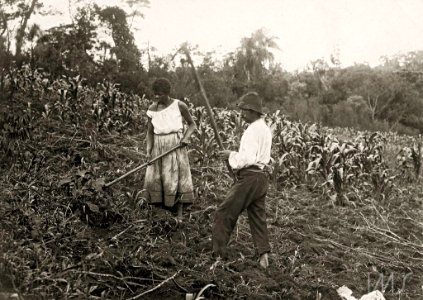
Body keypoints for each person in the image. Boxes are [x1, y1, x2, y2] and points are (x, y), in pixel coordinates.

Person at [212, 91, 272, 269]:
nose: (242, 114)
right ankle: (264, 257)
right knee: (257, 217)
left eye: (245, 110)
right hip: (261, 178)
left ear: (253, 111)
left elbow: (248, 158)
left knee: (224, 213)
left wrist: (230, 154)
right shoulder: (264, 129)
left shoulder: (254, 130)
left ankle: (218, 256)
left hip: (250, 177)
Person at [143, 78, 196, 220]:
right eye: (154, 94)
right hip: (158, 147)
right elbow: (149, 132)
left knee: (176, 177)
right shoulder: (152, 110)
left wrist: (185, 138)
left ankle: (179, 214)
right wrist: (148, 151)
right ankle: (160, 213)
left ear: (167, 93)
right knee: (157, 177)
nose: (156, 97)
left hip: (175, 145)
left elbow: (192, 125)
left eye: (159, 94)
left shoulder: (179, 105)